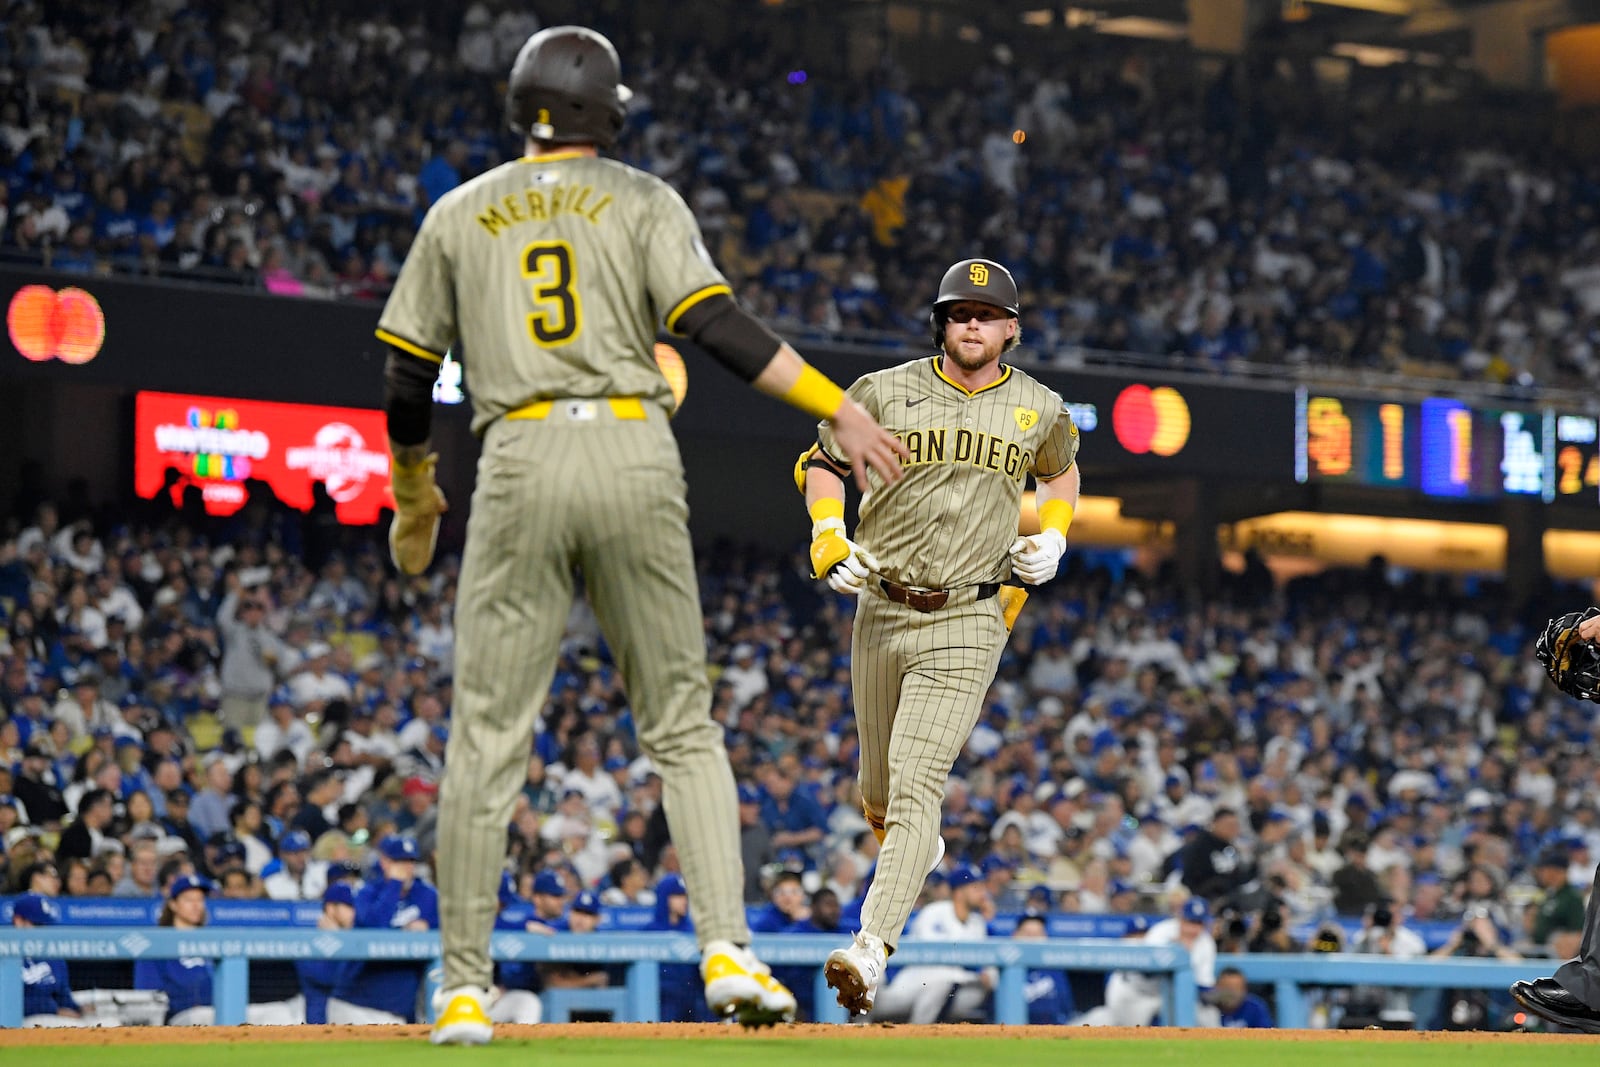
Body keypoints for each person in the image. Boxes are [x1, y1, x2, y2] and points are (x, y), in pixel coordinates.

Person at [372, 24, 906, 1045]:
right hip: (629, 446)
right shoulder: (641, 197)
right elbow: (715, 325)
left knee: (486, 735)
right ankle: (724, 947)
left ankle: (465, 988)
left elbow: (403, 372)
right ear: (608, 110)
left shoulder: (458, 211)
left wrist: (413, 486)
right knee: (680, 723)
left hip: (518, 454)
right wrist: (836, 404)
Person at [802, 258, 1080, 1014]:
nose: (973, 324)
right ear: (941, 323)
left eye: (987, 315)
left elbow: (1062, 473)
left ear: (1011, 329)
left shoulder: (1039, 405)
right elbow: (822, 463)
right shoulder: (881, 391)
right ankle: (912, 844)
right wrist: (828, 530)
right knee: (883, 796)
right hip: (882, 605)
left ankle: (870, 946)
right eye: (960, 313)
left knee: (921, 779)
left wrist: (1053, 534)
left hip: (971, 612)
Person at [133, 874, 304, 1025]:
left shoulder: (213, 940)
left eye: (200, 900)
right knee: (203, 1017)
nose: (196, 905)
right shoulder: (158, 942)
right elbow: (149, 997)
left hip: (225, 1011)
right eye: (188, 899)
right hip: (186, 1016)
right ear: (173, 905)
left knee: (279, 1013)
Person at [328, 834, 438, 1025]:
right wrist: (394, 885)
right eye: (399, 860)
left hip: (398, 1006)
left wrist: (428, 930)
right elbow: (374, 927)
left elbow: (442, 936)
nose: (406, 867)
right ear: (385, 862)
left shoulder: (428, 895)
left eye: (411, 860)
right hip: (355, 1003)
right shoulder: (367, 893)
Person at [870, 865, 995, 1025]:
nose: (982, 893)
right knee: (942, 980)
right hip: (911, 984)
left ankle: (933, 1034)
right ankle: (915, 1034)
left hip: (951, 989)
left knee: (978, 984)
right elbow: (934, 956)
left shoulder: (978, 923)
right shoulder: (934, 912)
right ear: (959, 892)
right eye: (976, 887)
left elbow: (988, 960)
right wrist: (972, 974)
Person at [1080, 897, 1217, 1027]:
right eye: (1190, 922)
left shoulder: (1206, 943)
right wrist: (1176, 954)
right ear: (1180, 918)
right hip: (1131, 991)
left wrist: (1220, 995)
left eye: (1198, 923)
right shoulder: (1161, 932)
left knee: (1208, 1016)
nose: (1193, 929)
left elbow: (1203, 986)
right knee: (1128, 1034)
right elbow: (1146, 972)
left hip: (1163, 996)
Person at [11, 893, 95, 1028]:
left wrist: (79, 1010)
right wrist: (54, 1010)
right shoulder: (6, 955)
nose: (44, 932)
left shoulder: (53, 955)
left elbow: (63, 997)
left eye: (46, 926)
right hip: (17, 1022)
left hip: (51, 1020)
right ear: (19, 921)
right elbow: (10, 1002)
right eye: (38, 925)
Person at [295, 882, 357, 1025]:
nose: (354, 913)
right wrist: (339, 940)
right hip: (318, 1024)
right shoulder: (309, 941)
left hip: (350, 1021)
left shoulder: (355, 940)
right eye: (348, 907)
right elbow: (331, 978)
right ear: (330, 908)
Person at [1012, 913, 1075, 1026]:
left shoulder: (1055, 967)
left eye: (1037, 934)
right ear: (1015, 935)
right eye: (1027, 934)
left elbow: (1067, 1007)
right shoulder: (1005, 969)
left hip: (1054, 1032)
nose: (1033, 939)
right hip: (1012, 1031)